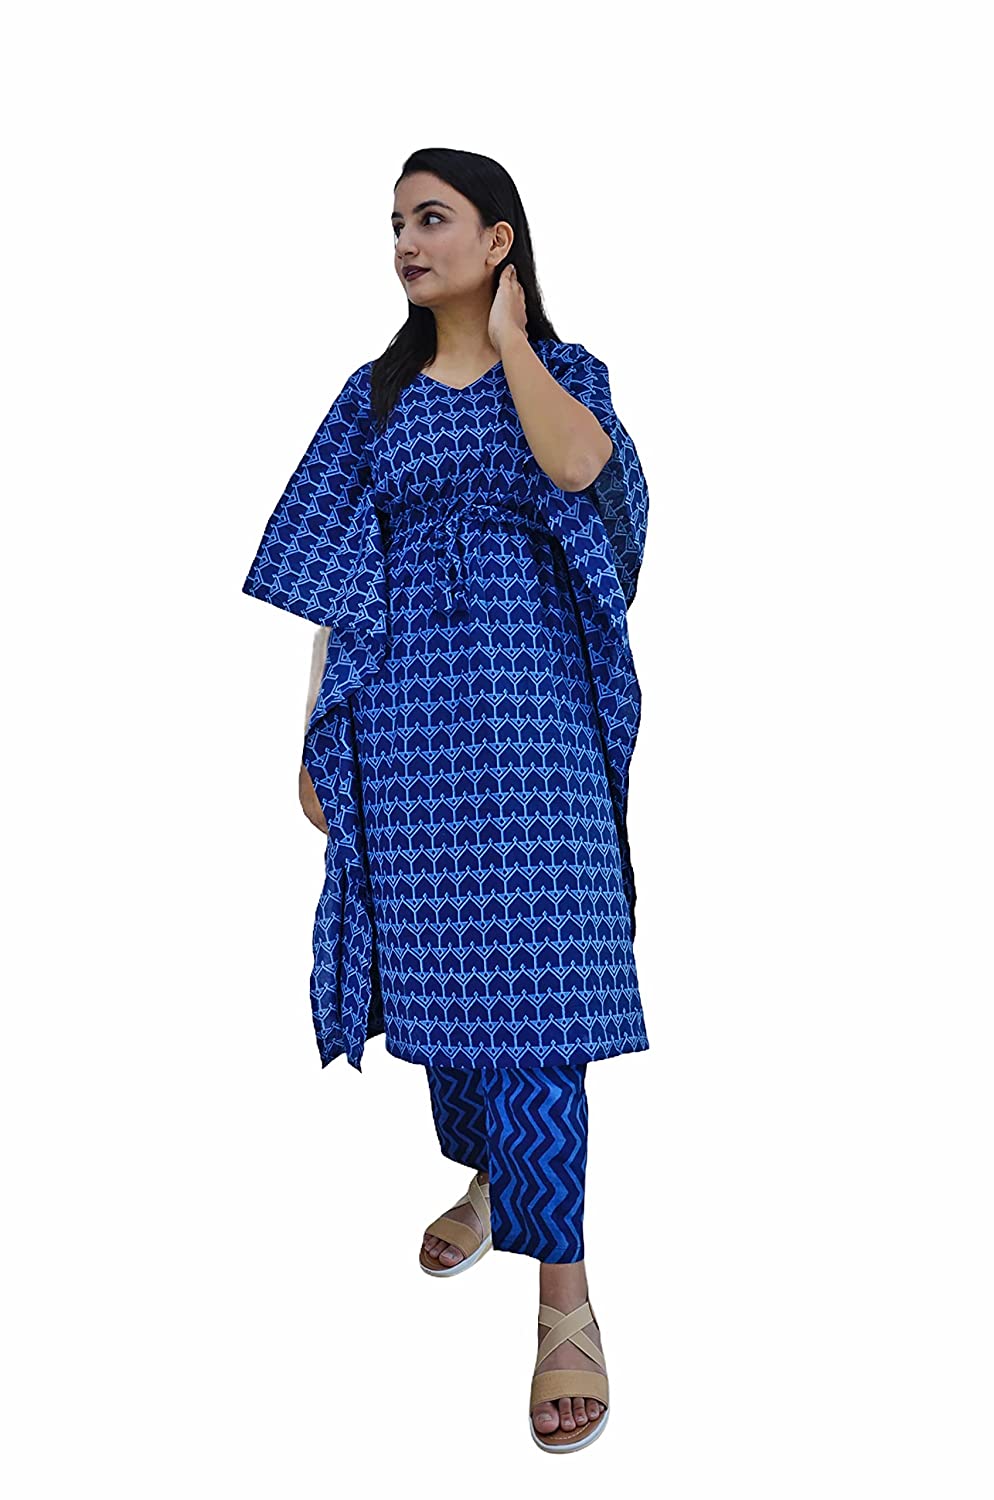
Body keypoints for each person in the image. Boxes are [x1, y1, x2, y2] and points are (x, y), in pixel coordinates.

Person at [242, 147, 650, 1453]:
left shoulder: (566, 373)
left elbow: (582, 474)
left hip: (532, 718)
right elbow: (333, 572)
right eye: (397, 224)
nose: (407, 242)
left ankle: (563, 1295)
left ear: (498, 240)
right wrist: (315, 732)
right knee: (444, 969)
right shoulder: (371, 399)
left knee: (540, 980)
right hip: (407, 720)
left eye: (433, 219)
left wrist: (516, 341)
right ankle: (489, 1175)